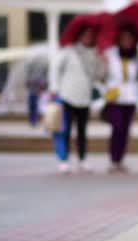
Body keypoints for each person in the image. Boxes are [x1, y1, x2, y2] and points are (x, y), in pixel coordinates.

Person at [52, 26, 107, 173]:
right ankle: (63, 160)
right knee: (66, 130)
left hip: (84, 98)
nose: (88, 37)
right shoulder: (69, 51)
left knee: (82, 131)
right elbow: (55, 68)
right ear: (79, 36)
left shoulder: (96, 54)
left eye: (90, 34)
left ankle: (82, 159)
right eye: (85, 34)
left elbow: (99, 76)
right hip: (67, 96)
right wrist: (54, 89)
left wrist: (103, 61)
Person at [103, 24, 138, 173]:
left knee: (125, 130)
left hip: (130, 97)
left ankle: (121, 160)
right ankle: (114, 158)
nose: (126, 42)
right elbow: (104, 74)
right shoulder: (110, 54)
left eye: (129, 39)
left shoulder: (137, 57)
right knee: (116, 128)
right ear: (119, 40)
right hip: (114, 97)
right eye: (124, 39)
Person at [25, 58, 48, 127]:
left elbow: (43, 84)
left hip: (37, 93)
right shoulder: (31, 74)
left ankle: (34, 121)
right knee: (32, 107)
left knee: (36, 107)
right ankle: (33, 121)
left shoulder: (40, 74)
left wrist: (40, 88)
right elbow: (27, 84)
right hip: (32, 92)